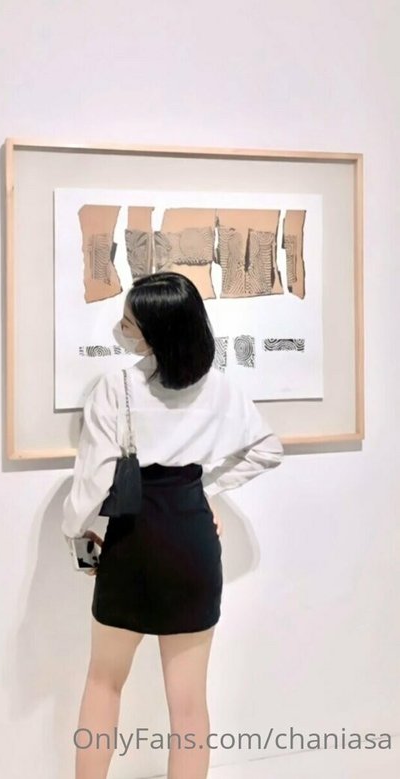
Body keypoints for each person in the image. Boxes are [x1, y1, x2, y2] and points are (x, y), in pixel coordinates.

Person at [62, 271, 284, 779]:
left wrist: (76, 535)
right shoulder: (220, 388)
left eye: (128, 324)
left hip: (132, 539)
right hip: (191, 540)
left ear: (155, 334)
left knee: (103, 683)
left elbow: (93, 483)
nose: (120, 330)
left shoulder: (116, 387)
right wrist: (206, 490)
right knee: (189, 706)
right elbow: (268, 450)